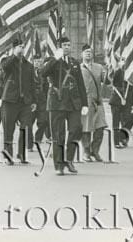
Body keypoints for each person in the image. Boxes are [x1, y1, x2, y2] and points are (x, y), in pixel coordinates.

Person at [42, 35, 88, 175]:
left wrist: (84, 103)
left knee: (76, 129)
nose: (67, 47)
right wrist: (56, 58)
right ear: (59, 47)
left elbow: (80, 83)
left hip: (73, 103)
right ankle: (59, 165)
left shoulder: (74, 62)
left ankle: (69, 160)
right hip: (57, 102)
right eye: (64, 45)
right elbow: (43, 73)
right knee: (58, 134)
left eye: (69, 45)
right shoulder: (52, 60)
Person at [1, 36, 36, 164]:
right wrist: (14, 56)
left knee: (26, 128)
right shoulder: (7, 61)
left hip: (25, 102)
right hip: (10, 100)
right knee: (8, 129)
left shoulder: (29, 65)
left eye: (23, 46)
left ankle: (21, 154)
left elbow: (32, 84)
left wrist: (34, 101)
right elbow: (5, 68)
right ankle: (8, 156)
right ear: (14, 48)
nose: (22, 49)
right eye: (19, 47)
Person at [79, 45, 109, 162]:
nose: (88, 54)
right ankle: (86, 152)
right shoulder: (78, 68)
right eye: (86, 52)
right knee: (86, 129)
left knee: (100, 128)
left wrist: (109, 70)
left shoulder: (98, 67)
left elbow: (106, 81)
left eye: (90, 52)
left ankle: (95, 151)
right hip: (85, 102)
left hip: (98, 102)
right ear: (82, 54)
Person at [109, 57, 133, 149]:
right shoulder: (117, 72)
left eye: (126, 60)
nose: (124, 62)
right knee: (116, 122)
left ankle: (122, 138)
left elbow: (132, 89)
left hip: (127, 100)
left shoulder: (131, 72)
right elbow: (111, 80)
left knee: (128, 119)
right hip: (116, 100)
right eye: (122, 60)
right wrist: (118, 68)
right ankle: (116, 142)